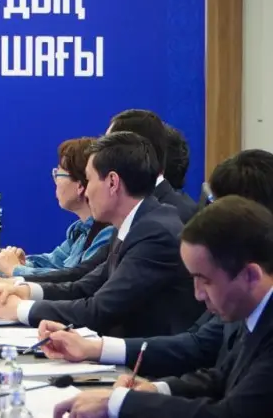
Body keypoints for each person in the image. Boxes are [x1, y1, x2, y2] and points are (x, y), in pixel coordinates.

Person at [36, 148, 273, 379]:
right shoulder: (130, 226)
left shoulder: (156, 230)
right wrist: (95, 349)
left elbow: (207, 363)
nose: (199, 294)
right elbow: (202, 349)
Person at [54, 195, 273, 418]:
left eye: (205, 280)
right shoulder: (250, 310)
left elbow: (230, 413)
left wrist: (119, 403)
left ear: (250, 275)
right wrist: (156, 390)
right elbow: (221, 378)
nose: (198, 294)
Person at [0, 132, 201, 337]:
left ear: (112, 182)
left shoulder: (154, 232)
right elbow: (84, 286)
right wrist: (23, 290)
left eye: (89, 179)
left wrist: (20, 309)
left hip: (148, 362)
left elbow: (99, 310)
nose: (87, 191)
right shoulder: (135, 222)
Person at [0, 113, 197, 287]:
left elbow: (92, 290)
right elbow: (85, 279)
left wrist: (18, 277)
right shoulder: (131, 215)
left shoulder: (162, 218)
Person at [0, 137, 114, 277]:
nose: (55, 182)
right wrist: (22, 263)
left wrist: (15, 269)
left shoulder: (107, 233)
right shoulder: (79, 230)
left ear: (80, 185)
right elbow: (54, 262)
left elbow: (75, 279)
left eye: (58, 174)